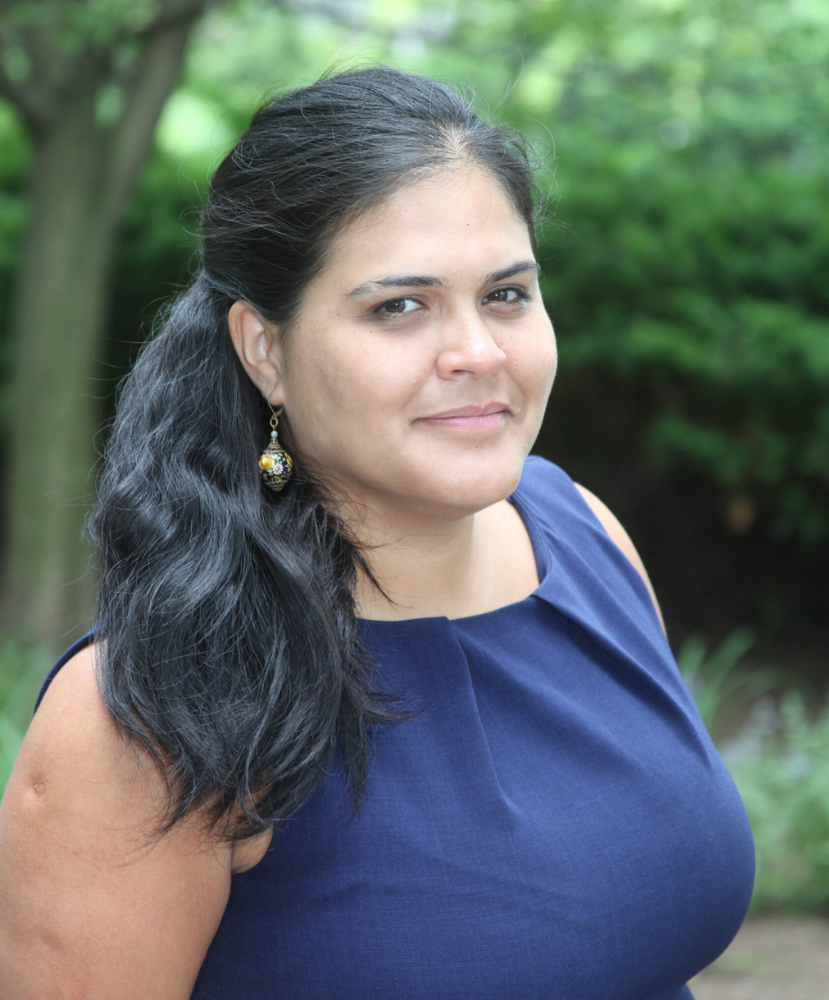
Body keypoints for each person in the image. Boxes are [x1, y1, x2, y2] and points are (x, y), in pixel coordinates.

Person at [0, 67, 754, 999]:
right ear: (262, 350)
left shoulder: (588, 537)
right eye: (400, 306)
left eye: (508, 295)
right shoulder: (150, 713)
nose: (477, 352)